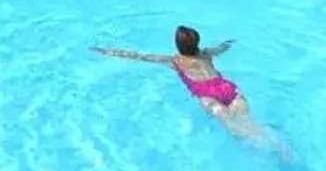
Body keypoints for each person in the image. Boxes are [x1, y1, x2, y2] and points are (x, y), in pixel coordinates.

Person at [94, 25, 285, 151]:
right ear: (198, 43)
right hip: (226, 88)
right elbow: (222, 48)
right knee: (251, 123)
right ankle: (280, 146)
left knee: (236, 129)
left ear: (177, 46)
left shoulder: (174, 61)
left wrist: (110, 52)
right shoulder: (206, 54)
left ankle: (263, 150)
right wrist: (230, 42)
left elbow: (139, 56)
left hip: (208, 96)